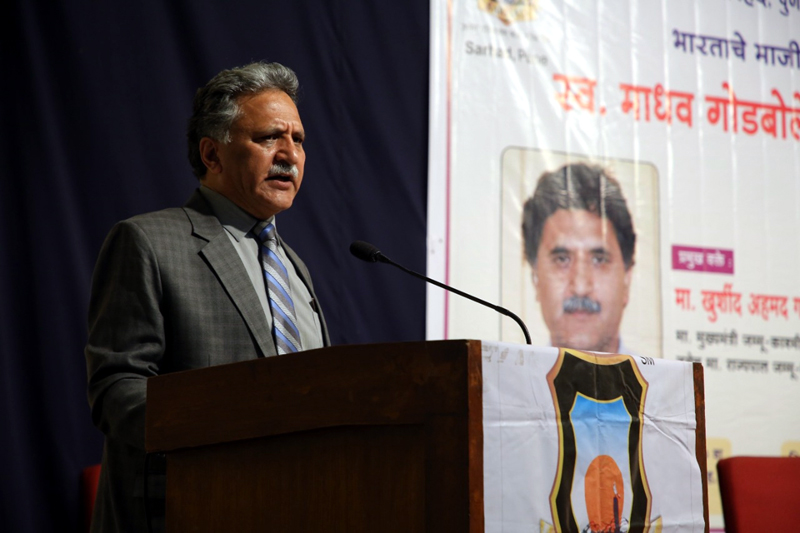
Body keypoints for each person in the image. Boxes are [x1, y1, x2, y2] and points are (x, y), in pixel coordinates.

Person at [85, 62, 330, 533]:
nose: (290, 155)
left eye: (298, 140)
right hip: (189, 508)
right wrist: (235, 430)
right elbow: (117, 390)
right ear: (212, 155)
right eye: (268, 138)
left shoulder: (294, 268)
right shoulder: (148, 241)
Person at [521, 163, 635, 354]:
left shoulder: (659, 382)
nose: (581, 287)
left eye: (599, 260)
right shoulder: (507, 383)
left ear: (627, 279)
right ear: (536, 278)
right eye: (562, 259)